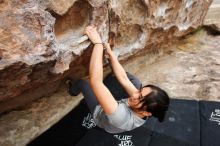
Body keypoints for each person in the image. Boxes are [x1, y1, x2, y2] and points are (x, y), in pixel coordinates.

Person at [68, 26, 170, 134]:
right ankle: (113, 73)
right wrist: (111, 55)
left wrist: (98, 44)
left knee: (83, 84)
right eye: (140, 91)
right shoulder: (142, 104)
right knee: (134, 81)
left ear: (146, 113)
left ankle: (72, 91)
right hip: (122, 109)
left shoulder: (121, 118)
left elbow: (96, 82)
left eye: (140, 97)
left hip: (100, 115)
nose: (134, 94)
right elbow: (124, 79)